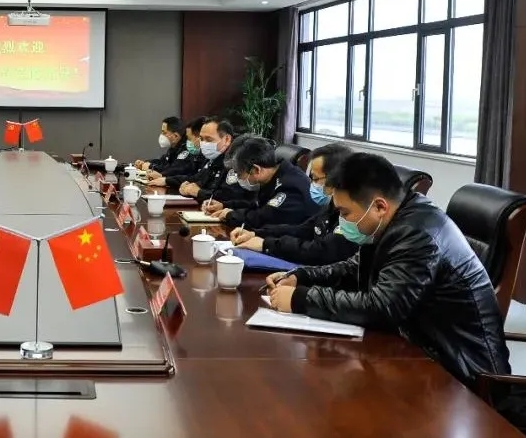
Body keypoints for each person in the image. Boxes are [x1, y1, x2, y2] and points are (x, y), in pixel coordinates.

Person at [265, 152, 510, 388]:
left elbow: (382, 307)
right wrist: (302, 276)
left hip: (461, 377)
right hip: (417, 352)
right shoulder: (394, 221)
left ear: (379, 207)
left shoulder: (417, 235)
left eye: (345, 213)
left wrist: (302, 299)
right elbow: (354, 268)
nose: (341, 221)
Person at [229, 143, 358, 266]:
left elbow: (321, 252)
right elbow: (301, 230)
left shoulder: (354, 214)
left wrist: (266, 244)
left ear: (336, 178)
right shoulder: (331, 207)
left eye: (315, 179)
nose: (311, 184)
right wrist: (256, 234)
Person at [211, 136, 319, 229]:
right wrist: (224, 205)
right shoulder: (274, 175)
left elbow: (263, 218)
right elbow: (257, 205)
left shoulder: (290, 187)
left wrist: (231, 215)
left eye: (239, 174)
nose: (238, 178)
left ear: (256, 170)